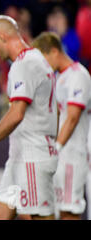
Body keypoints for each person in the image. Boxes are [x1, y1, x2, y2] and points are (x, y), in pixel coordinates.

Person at [0, 15, 58, 220]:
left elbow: (16, 113)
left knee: (38, 217)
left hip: (32, 157)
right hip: (21, 157)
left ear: (2, 36)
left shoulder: (24, 64)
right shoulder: (36, 60)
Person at [32, 32, 91, 220]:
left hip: (73, 153)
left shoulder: (79, 75)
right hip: (60, 155)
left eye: (44, 59)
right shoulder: (59, 78)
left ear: (55, 51)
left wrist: (56, 148)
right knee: (54, 210)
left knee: (69, 211)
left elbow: (72, 117)